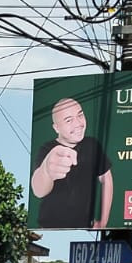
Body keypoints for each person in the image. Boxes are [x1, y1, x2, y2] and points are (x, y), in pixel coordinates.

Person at [31, 96, 112, 229]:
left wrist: (103, 221)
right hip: (49, 226)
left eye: (80, 115)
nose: (78, 123)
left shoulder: (92, 145)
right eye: (69, 120)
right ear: (56, 128)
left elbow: (106, 178)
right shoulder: (46, 148)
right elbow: (38, 190)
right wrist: (46, 170)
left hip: (84, 225)